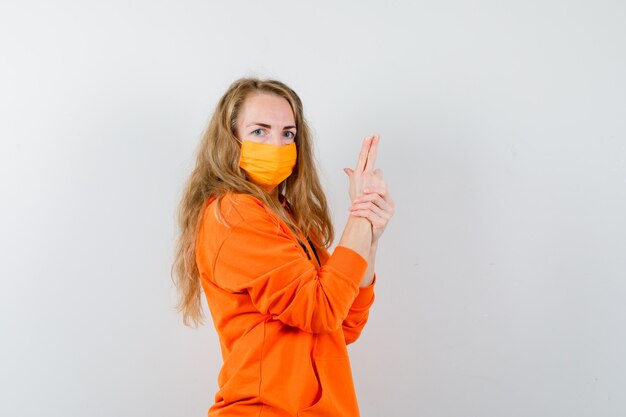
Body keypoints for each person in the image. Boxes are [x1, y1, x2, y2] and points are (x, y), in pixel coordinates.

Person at [172, 77, 395, 416]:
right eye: (259, 131)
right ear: (230, 139)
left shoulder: (285, 217)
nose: (276, 144)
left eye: (288, 133)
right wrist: (359, 215)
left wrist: (371, 236)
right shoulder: (233, 214)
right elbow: (320, 309)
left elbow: (344, 323)